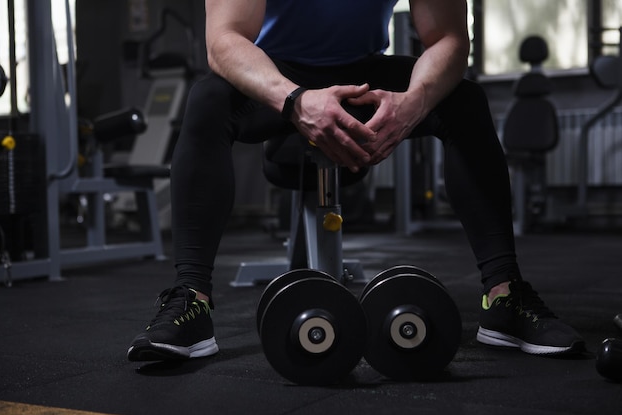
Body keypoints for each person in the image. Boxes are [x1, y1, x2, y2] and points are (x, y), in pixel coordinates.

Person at [127, 0, 584, 362]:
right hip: (274, 72)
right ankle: (192, 301)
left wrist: (414, 102)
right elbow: (224, 40)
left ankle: (504, 297)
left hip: (363, 70)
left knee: (464, 101)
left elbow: (447, 37)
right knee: (207, 99)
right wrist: (294, 100)